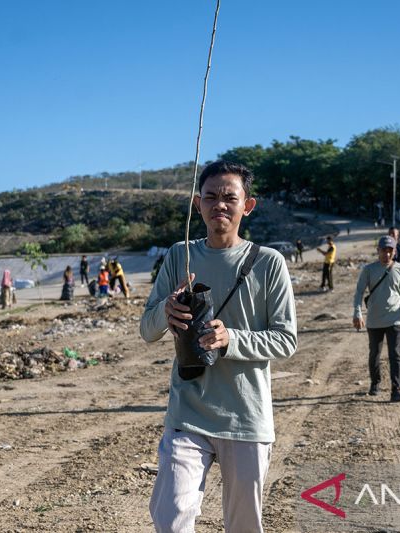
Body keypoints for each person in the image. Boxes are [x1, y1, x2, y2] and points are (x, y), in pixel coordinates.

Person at [140, 160, 297, 532]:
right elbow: (147, 330)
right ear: (198, 204)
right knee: (171, 516)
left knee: (244, 525)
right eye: (210, 197)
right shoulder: (181, 255)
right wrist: (167, 310)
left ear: (248, 205)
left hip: (246, 417)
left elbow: (286, 339)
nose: (219, 205)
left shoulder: (268, 263)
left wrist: (232, 339)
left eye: (230, 197)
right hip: (188, 412)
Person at [353, 235, 400, 402]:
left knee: (395, 354)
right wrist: (357, 312)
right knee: (375, 353)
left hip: (395, 318)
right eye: (383, 251)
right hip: (374, 319)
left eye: (390, 251)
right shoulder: (369, 270)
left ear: (394, 251)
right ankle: (375, 383)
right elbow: (359, 292)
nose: (387, 254)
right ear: (377, 251)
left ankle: (396, 389)